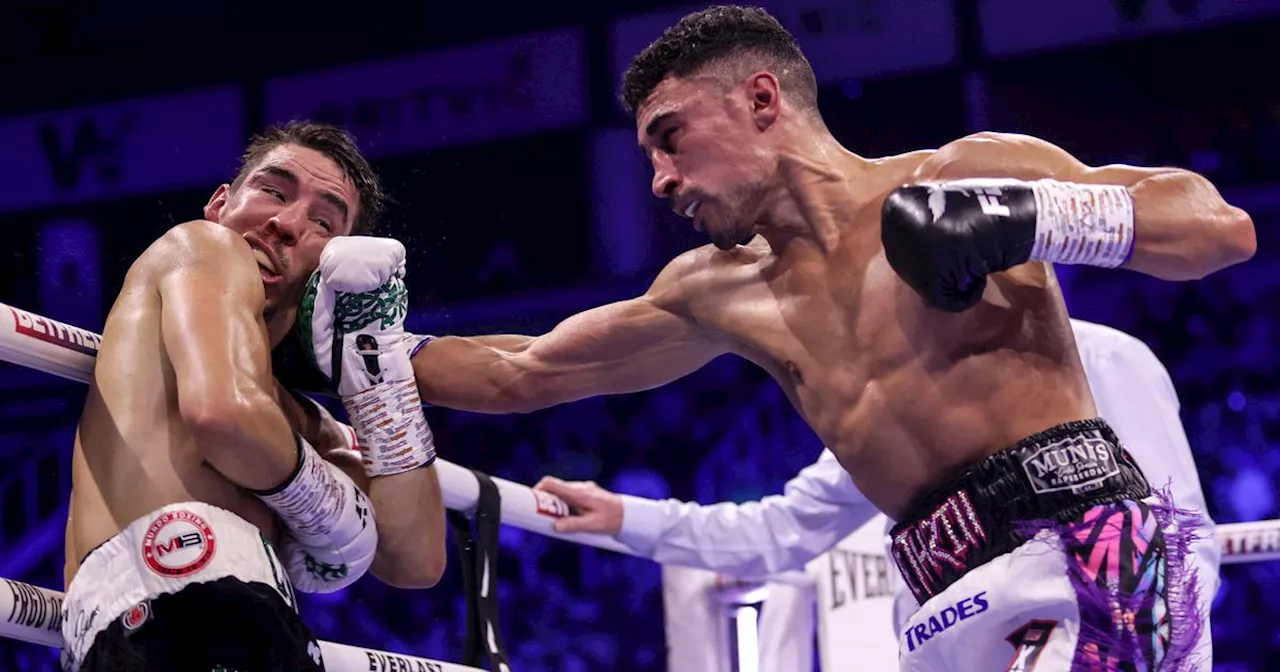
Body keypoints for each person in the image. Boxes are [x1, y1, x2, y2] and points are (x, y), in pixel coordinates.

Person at [318, 6, 1251, 669]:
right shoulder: (718, 293)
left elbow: (1214, 227)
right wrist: (336, 350)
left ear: (762, 99)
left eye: (670, 137)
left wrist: (1026, 216)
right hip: (934, 596)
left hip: (1081, 548)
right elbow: (524, 371)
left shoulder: (962, 173)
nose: (659, 179)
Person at [531, 319, 1221, 667]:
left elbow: (1181, 538)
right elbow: (783, 530)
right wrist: (625, 517)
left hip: (1093, 639)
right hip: (943, 649)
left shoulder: (1102, 356)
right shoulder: (898, 403)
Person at [61, 121, 446, 672]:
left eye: (321, 221)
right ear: (220, 203)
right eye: (273, 190)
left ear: (329, 271)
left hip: (230, 624)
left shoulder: (295, 418)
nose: (285, 224)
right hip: (171, 615)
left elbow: (414, 557)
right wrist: (326, 510)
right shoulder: (202, 245)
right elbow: (223, 416)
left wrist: (376, 368)